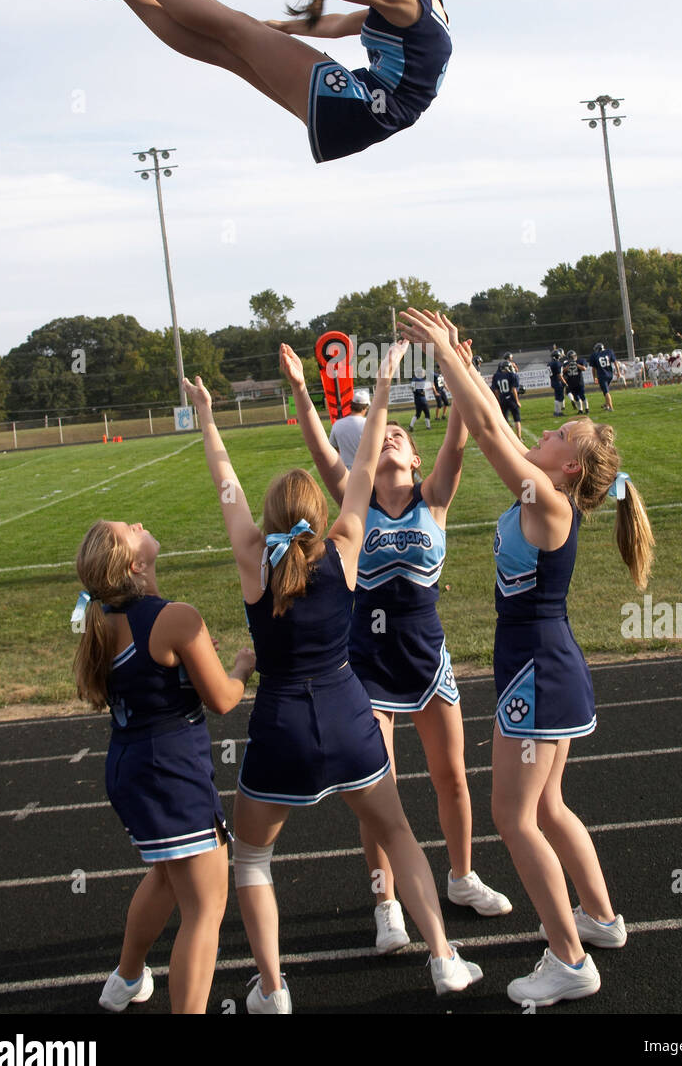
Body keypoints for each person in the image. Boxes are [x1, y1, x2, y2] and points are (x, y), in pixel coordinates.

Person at [183, 352, 482, 1011]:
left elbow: (225, 483)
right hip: (352, 719)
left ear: (266, 520)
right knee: (401, 833)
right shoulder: (347, 540)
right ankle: (444, 959)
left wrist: (207, 417)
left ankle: (273, 990)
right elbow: (368, 454)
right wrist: (380, 383)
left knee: (253, 863)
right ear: (322, 512)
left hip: (282, 730)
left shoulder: (251, 561)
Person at [398, 308, 655, 1009]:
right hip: (544, 666)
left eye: (556, 433)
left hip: (536, 674)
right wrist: (462, 363)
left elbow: (485, 431)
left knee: (513, 818)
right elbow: (491, 421)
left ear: (568, 464)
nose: (541, 431)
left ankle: (569, 960)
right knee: (548, 805)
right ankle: (599, 919)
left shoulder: (546, 499)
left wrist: (445, 352)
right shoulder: (546, 488)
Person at [279, 342, 512, 954]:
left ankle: (461, 877)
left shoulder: (434, 496)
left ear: (414, 455)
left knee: (452, 778)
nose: (390, 442)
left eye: (401, 439)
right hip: (368, 668)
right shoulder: (353, 494)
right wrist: (302, 389)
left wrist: (454, 370)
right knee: (380, 797)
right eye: (384, 438)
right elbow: (317, 445)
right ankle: (387, 905)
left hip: (428, 660)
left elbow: (460, 433)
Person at [82, 0, 451, 165]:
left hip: (359, 106)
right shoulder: (419, 1)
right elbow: (341, 24)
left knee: (233, 28)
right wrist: (282, 28)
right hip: (363, 119)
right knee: (227, 50)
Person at [73, 519, 255, 1013]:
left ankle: (127, 979)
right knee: (205, 907)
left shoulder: (103, 619)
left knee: (168, 876)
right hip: (169, 773)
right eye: (128, 529)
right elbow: (221, 700)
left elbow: (154, 677)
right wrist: (240, 668)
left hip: (129, 767)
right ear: (136, 563)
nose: (138, 523)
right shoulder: (174, 617)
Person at [329, 387, 370, 468]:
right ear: (365, 408)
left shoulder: (337, 424)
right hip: (366, 470)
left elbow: (332, 448)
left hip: (345, 472)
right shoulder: (369, 424)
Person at [492, 355, 523, 439]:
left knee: (504, 421)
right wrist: (517, 401)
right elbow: (513, 389)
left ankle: (507, 438)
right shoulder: (512, 375)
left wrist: (499, 400)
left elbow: (496, 391)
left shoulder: (496, 376)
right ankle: (519, 437)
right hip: (512, 399)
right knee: (517, 419)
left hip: (502, 399)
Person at [589, 343, 617, 411]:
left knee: (606, 392)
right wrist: (618, 372)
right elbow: (615, 362)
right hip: (610, 374)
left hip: (602, 375)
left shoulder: (594, 355)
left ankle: (611, 407)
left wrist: (594, 377)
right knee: (606, 390)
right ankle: (607, 405)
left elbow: (593, 368)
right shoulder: (609, 352)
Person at [548, 347, 566, 417]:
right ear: (557, 356)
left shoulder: (550, 363)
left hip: (553, 381)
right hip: (557, 381)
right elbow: (559, 375)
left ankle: (556, 412)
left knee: (557, 397)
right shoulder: (557, 363)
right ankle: (558, 412)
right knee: (559, 397)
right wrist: (564, 382)